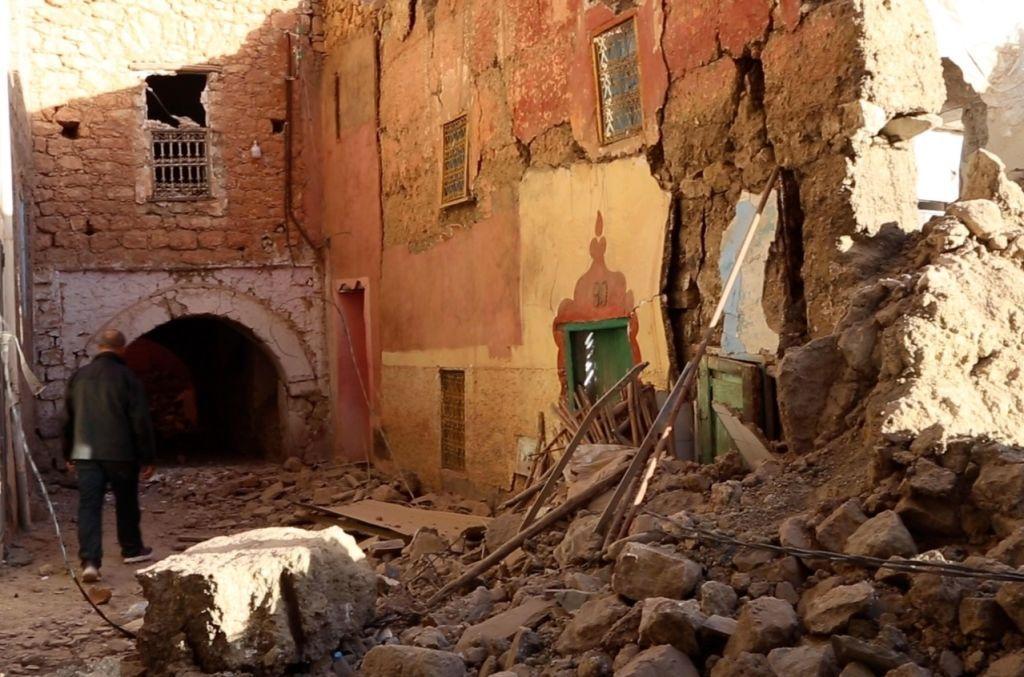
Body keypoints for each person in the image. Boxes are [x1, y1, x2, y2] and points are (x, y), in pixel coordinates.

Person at [63, 329, 156, 583]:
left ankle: (90, 562)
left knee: (89, 506)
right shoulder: (128, 378)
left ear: (99, 346)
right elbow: (140, 421)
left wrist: (68, 452)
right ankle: (132, 549)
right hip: (120, 453)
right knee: (125, 501)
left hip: (84, 453)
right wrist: (147, 457)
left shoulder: (79, 377)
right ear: (121, 349)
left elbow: (68, 419)